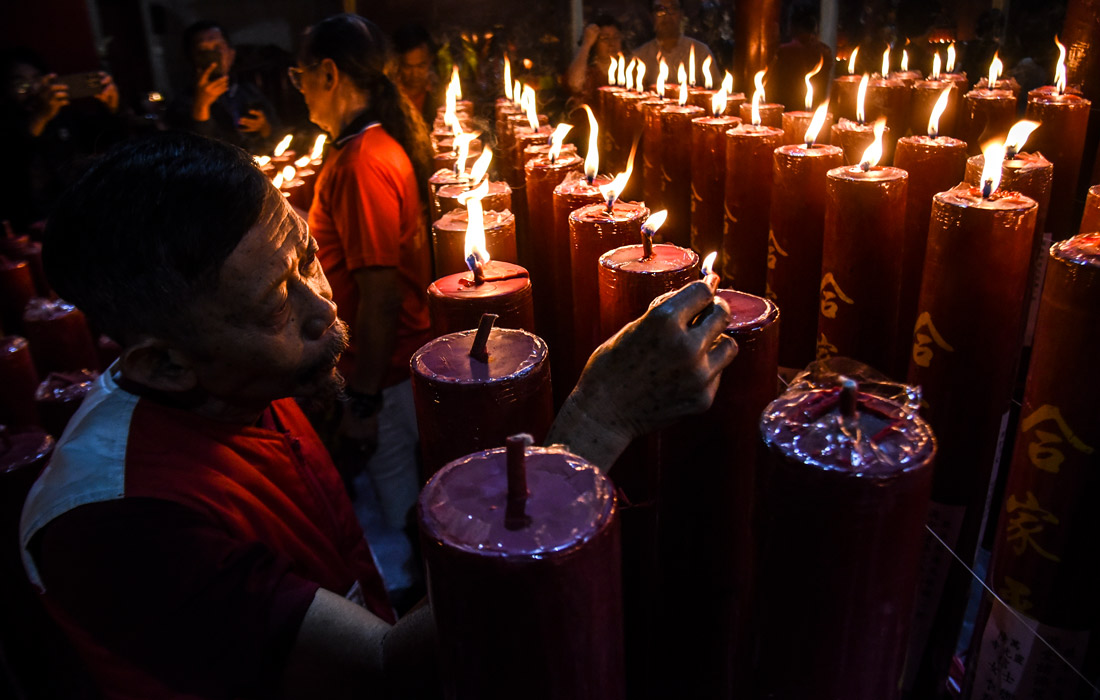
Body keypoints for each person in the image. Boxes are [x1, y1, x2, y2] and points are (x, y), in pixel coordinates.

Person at [19, 130, 736, 698]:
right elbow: (381, 669)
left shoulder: (240, 381)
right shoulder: (116, 524)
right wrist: (598, 422)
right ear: (164, 363)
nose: (323, 309)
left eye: (306, 257)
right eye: (276, 302)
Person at [290, 14, 437, 533]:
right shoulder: (363, 150)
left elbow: (380, 296)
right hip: (384, 372)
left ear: (329, 74)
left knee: (398, 523)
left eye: (301, 75)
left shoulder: (361, 163)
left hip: (385, 378)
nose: (300, 89)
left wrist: (364, 401)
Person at [1, 48, 125, 230]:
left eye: (37, 79)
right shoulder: (9, 128)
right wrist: (40, 117)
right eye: (21, 85)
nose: (33, 90)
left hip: (79, 217)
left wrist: (111, 108)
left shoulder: (64, 117)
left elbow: (107, 145)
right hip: (27, 227)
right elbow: (14, 169)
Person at [170, 20, 279, 152]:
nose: (211, 55)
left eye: (217, 48)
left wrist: (265, 127)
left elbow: (278, 135)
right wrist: (201, 106)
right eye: (203, 50)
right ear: (192, 58)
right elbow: (195, 152)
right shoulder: (182, 104)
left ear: (231, 55)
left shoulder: (250, 92)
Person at [631, 0, 715, 87]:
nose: (667, 16)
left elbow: (717, 89)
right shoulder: (640, 57)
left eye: (673, 8)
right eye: (660, 10)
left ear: (681, 14)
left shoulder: (700, 53)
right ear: (652, 17)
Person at [766, 5, 833, 114]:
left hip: (786, 111)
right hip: (815, 113)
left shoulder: (784, 52)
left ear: (792, 27)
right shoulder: (825, 52)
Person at [565, 16, 624, 104]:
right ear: (595, 43)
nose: (612, 43)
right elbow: (574, 84)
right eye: (605, 38)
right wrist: (586, 44)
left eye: (616, 37)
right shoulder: (588, 72)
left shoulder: (628, 71)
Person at [391, 24, 440, 123]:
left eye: (421, 66)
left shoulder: (439, 94)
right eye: (408, 67)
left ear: (431, 59)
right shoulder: (390, 97)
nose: (415, 74)